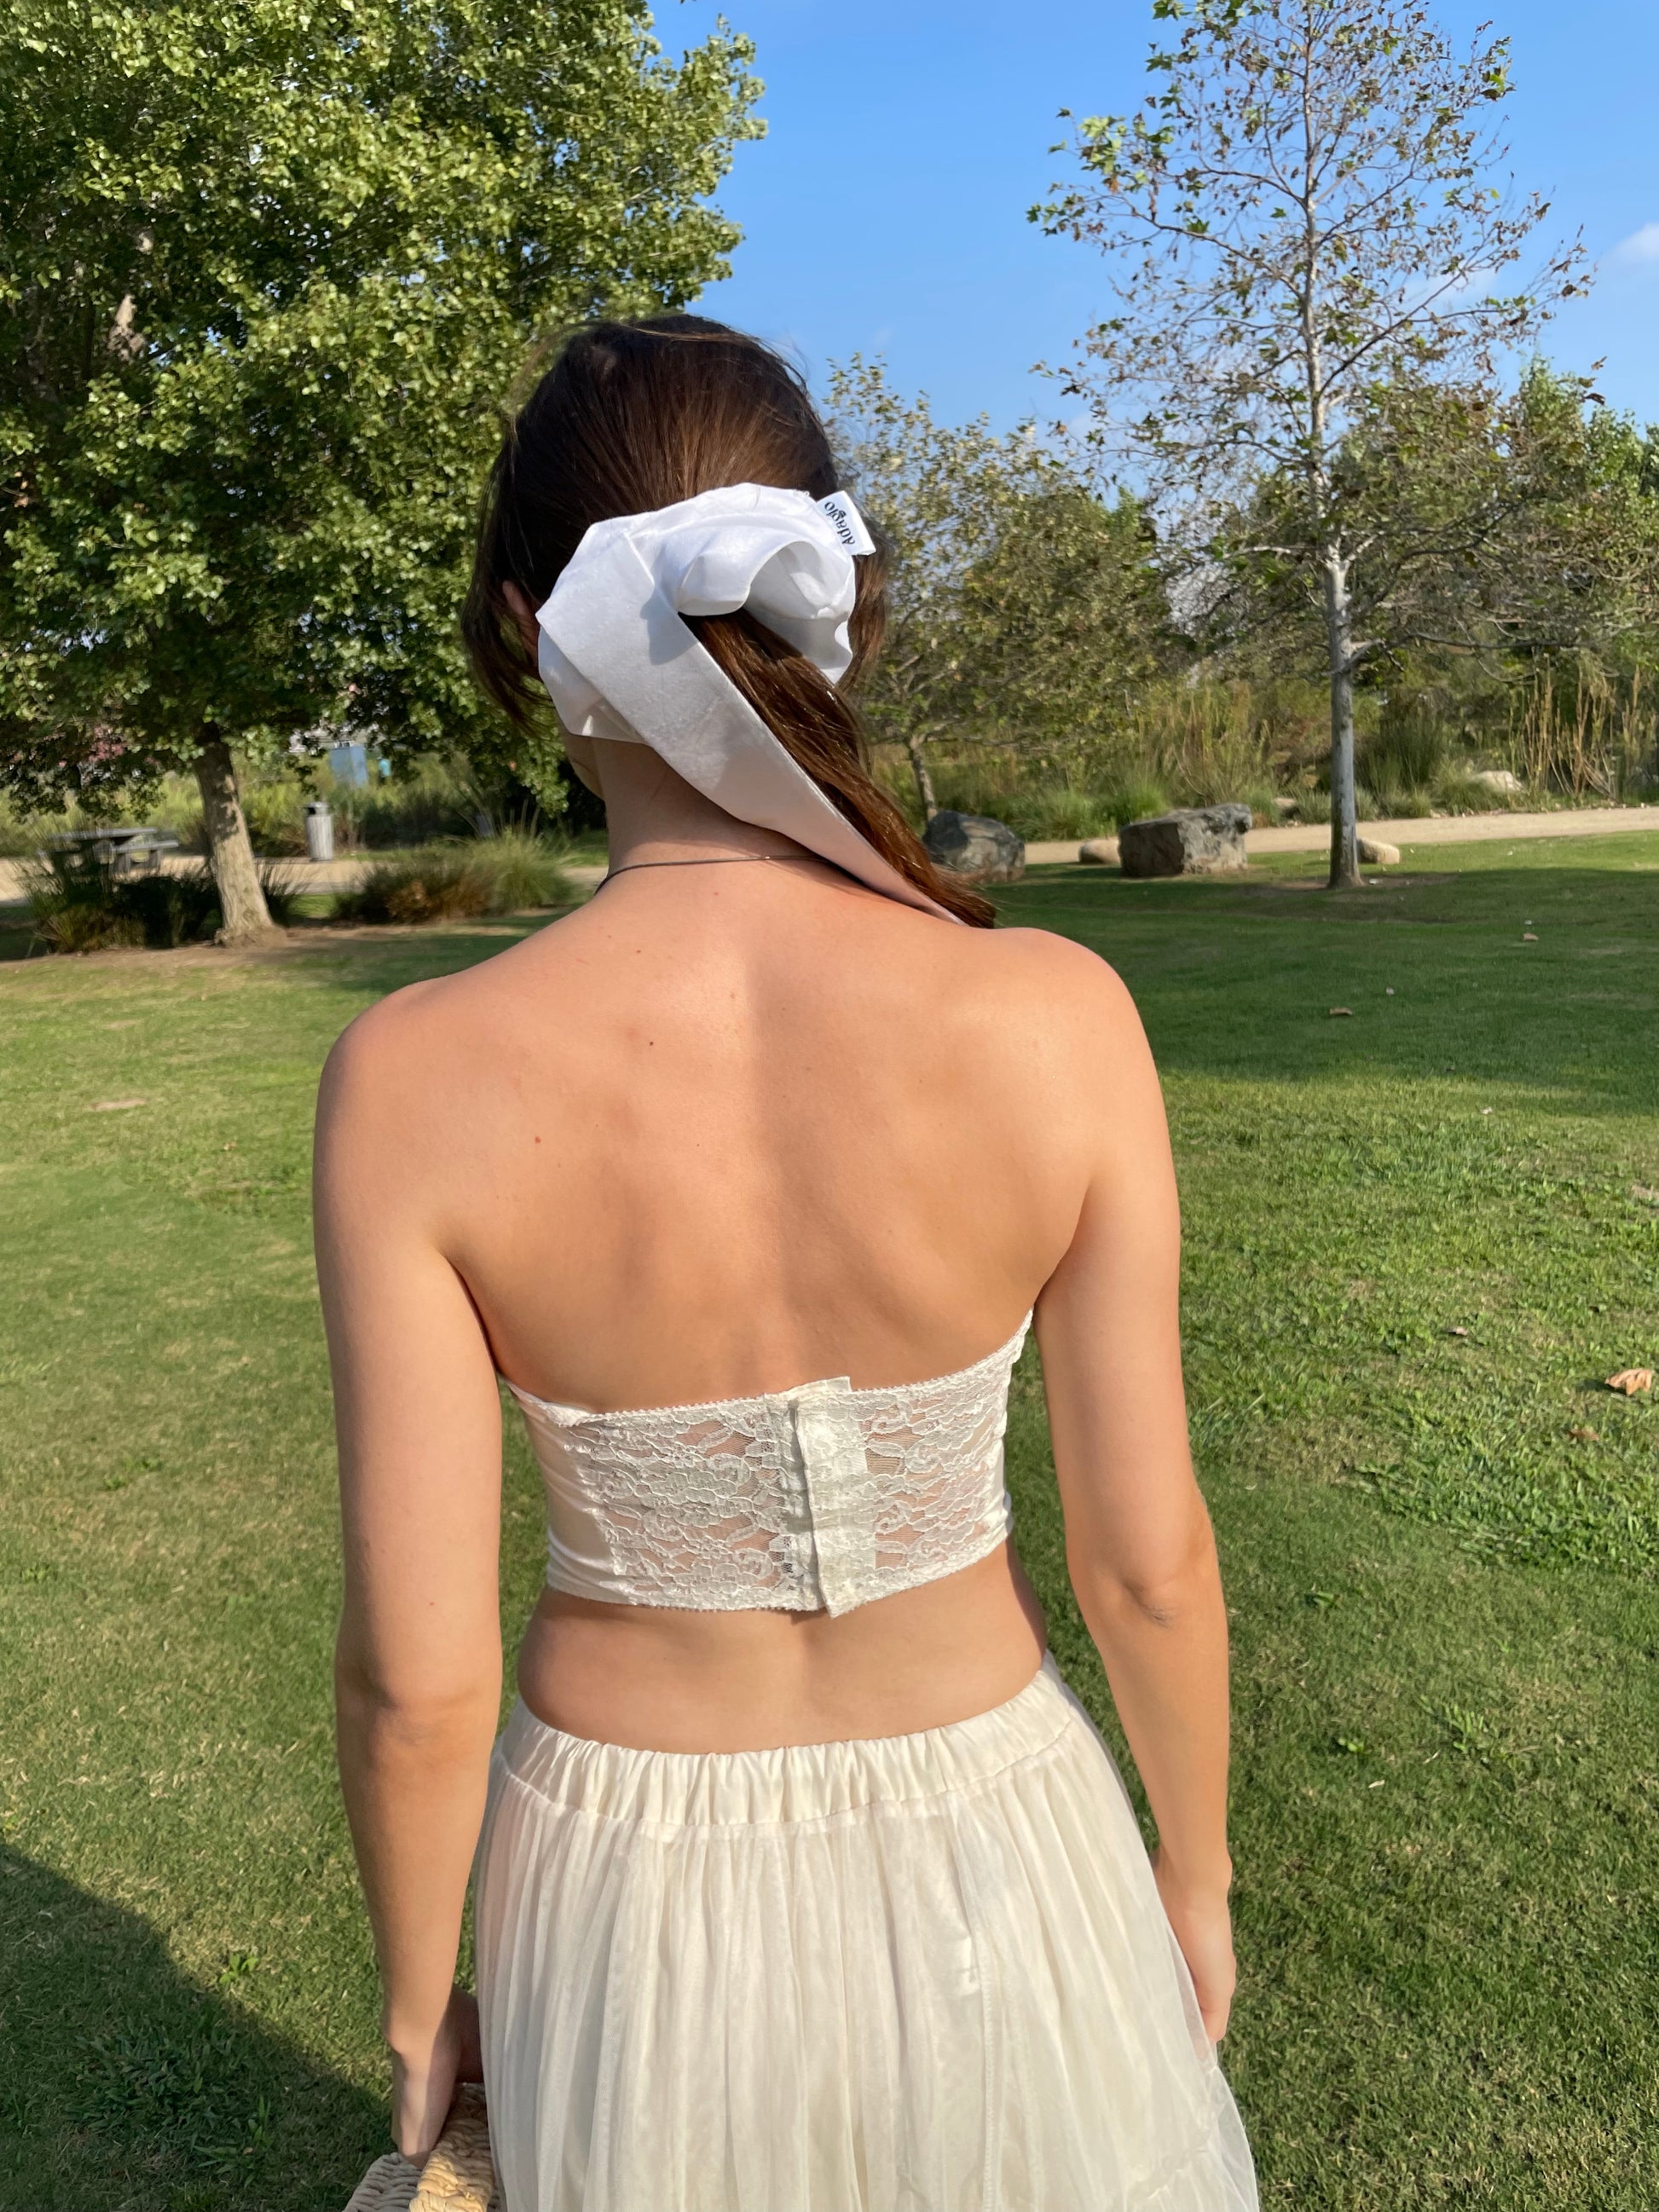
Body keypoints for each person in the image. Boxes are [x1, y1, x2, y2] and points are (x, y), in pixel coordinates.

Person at [315, 314, 1257, 2212]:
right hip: (1002, 1835)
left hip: (623, 1881)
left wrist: (426, 2005)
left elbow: (417, 1682)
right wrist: (1193, 1867)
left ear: (526, 634)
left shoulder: (412, 1079)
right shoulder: (1056, 1018)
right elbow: (1143, 1557)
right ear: (836, 603)